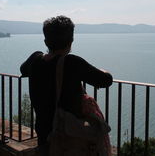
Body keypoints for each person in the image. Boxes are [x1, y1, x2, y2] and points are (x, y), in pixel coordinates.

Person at [20, 15, 113, 155]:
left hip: (44, 134)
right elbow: (106, 80)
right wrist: (103, 70)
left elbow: (23, 70)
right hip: (69, 137)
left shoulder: (35, 59)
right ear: (71, 41)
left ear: (45, 41)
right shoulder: (71, 63)